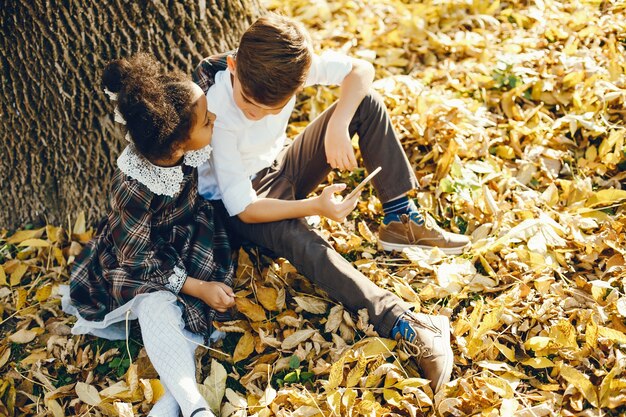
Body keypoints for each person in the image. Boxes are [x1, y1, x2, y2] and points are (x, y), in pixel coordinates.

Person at [193, 14, 468, 392]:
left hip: (279, 167)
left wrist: (339, 122)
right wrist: (313, 207)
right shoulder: (219, 109)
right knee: (303, 241)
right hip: (237, 207)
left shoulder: (292, 69)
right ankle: (406, 323)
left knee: (363, 102)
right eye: (248, 101)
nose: (254, 113)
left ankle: (400, 218)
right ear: (233, 66)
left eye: (271, 109)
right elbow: (244, 206)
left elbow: (361, 69)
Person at [62, 53, 235, 417]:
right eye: (207, 121)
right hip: (140, 263)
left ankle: (172, 400)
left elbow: (208, 71)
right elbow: (137, 260)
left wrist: (237, 60)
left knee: (188, 314)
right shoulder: (135, 189)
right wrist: (197, 287)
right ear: (177, 146)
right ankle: (192, 405)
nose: (214, 118)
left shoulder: (176, 138)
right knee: (157, 307)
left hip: (187, 241)